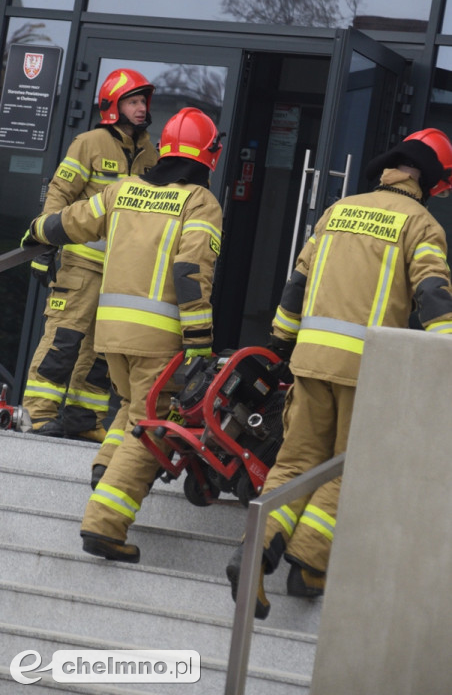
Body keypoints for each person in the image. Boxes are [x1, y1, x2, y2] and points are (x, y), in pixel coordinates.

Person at [226, 127, 452, 619]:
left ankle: (254, 551)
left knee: (294, 463)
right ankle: (307, 565)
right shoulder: (421, 225)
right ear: (430, 182)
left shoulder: (336, 211)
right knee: (351, 467)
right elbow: (434, 297)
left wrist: (281, 345)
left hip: (310, 360)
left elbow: (295, 286)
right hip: (367, 371)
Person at [23, 106, 224, 562]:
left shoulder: (123, 190)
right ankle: (106, 525)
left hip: (111, 333)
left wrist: (36, 231)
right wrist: (199, 343)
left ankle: (103, 467)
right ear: (208, 155)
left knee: (134, 408)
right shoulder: (199, 202)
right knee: (154, 425)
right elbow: (191, 271)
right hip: (158, 339)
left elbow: (69, 221)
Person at [22, 68, 158, 442]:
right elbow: (60, 195)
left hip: (122, 273)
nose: (141, 107)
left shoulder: (151, 152)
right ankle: (35, 415)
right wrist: (45, 246)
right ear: (114, 106)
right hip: (81, 266)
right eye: (133, 101)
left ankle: (83, 420)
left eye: (143, 100)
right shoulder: (90, 143)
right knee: (63, 340)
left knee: (102, 352)